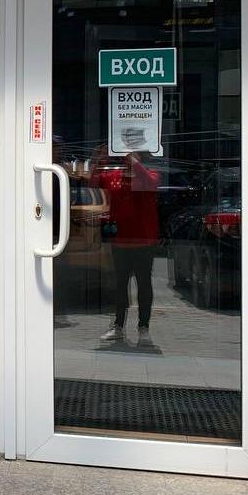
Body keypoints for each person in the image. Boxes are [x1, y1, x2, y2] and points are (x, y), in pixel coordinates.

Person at [91, 148, 160, 346]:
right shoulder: (114, 176)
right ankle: (118, 326)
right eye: (126, 151)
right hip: (121, 240)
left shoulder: (151, 174)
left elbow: (149, 183)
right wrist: (99, 160)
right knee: (120, 284)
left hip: (144, 240)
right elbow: (94, 184)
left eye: (134, 152)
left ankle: (144, 328)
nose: (128, 155)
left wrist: (135, 163)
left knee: (143, 284)